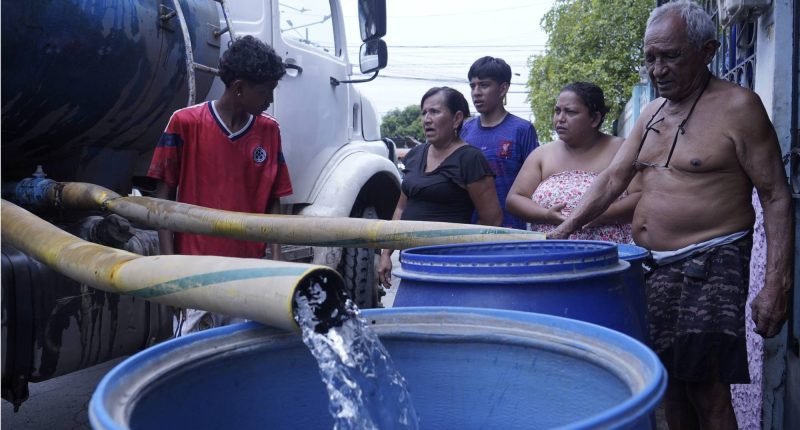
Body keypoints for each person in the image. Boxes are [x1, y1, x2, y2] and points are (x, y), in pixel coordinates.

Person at [548, 2, 793, 428]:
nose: (658, 69)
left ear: (709, 50)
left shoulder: (740, 107)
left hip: (713, 263)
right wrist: (566, 228)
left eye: (671, 56)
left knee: (706, 387)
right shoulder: (652, 112)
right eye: (651, 58)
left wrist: (777, 283)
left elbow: (775, 196)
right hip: (654, 269)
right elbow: (612, 179)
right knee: (671, 387)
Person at [147, 35, 291, 334]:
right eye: (267, 91)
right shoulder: (185, 123)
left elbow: (274, 201)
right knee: (192, 361)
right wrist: (170, 271)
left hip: (248, 273)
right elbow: (162, 203)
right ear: (239, 88)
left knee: (243, 359)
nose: (271, 99)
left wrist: (279, 269)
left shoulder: (269, 131)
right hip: (195, 274)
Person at [377, 87, 503, 288]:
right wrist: (385, 254)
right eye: (424, 113)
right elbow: (401, 208)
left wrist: (463, 259)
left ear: (457, 118)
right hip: (411, 263)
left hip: (449, 267)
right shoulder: (415, 154)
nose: (427, 119)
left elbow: (492, 219)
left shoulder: (470, 159)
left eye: (434, 112)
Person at [506, 82, 639, 243]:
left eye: (570, 112)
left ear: (595, 118)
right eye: (557, 111)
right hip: (553, 252)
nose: (560, 119)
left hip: (607, 252)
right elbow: (515, 199)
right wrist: (546, 215)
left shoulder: (621, 150)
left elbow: (640, 196)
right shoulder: (542, 154)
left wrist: (596, 213)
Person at [461, 56, 539, 230]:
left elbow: (536, 183)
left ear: (503, 88)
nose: (476, 92)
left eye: (484, 85)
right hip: (468, 231)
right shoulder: (465, 130)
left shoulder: (522, 130)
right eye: (472, 86)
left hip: (511, 230)